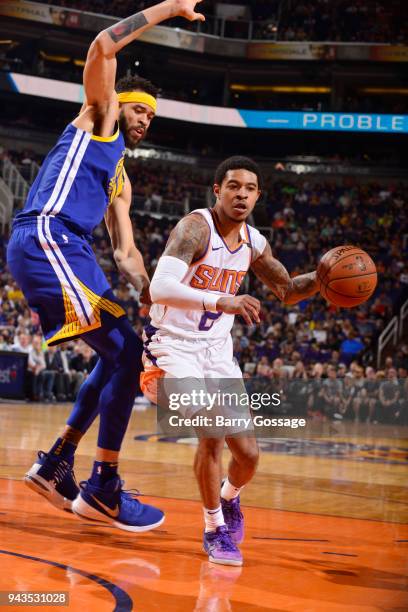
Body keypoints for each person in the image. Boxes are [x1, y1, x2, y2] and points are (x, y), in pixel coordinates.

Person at [7, 0, 205, 532]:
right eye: (142, 110)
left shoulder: (120, 175)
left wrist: (151, 292)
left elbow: (126, 253)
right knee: (126, 357)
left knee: (124, 353)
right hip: (48, 234)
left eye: (151, 116)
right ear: (122, 104)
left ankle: (57, 464)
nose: (145, 121)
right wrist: (168, 9)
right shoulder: (101, 118)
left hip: (67, 248)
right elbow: (101, 46)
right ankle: (103, 488)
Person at [141, 156, 319, 564]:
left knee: (250, 455)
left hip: (217, 355)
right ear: (217, 189)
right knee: (212, 429)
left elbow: (287, 290)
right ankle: (213, 527)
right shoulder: (195, 228)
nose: (242, 194)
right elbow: (160, 286)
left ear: (258, 195)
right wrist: (223, 299)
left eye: (250, 188)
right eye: (234, 186)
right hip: (172, 346)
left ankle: (229, 497)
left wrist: (323, 279)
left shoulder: (255, 242)